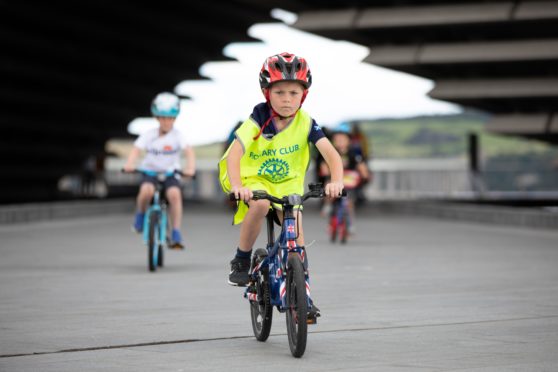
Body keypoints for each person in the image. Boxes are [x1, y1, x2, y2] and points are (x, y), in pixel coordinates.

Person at [218, 52, 344, 296]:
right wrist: (238, 186)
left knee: (297, 240)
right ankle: (242, 258)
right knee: (261, 205)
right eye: (279, 93)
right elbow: (234, 155)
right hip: (255, 179)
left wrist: (336, 181)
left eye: (294, 93)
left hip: (288, 183)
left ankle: (303, 298)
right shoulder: (258, 118)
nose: (287, 99)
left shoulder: (306, 122)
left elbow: (331, 155)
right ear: (267, 93)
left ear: (303, 94)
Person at [123, 92, 196, 249]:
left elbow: (189, 152)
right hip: (150, 173)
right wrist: (130, 163)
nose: (166, 122)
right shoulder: (149, 135)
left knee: (174, 196)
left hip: (171, 173)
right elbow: (136, 150)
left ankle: (176, 231)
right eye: (162, 117)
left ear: (175, 118)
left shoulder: (178, 136)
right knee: (146, 191)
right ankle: (140, 215)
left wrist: (190, 168)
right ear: (156, 118)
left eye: (170, 118)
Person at [320, 123, 370, 233]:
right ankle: (327, 204)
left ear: (349, 140)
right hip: (335, 179)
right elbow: (324, 164)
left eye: (342, 139)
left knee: (349, 203)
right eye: (337, 140)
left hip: (349, 181)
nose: (340, 142)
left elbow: (361, 165)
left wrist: (365, 174)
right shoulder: (332, 152)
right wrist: (325, 171)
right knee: (329, 186)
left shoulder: (353, 152)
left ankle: (350, 223)